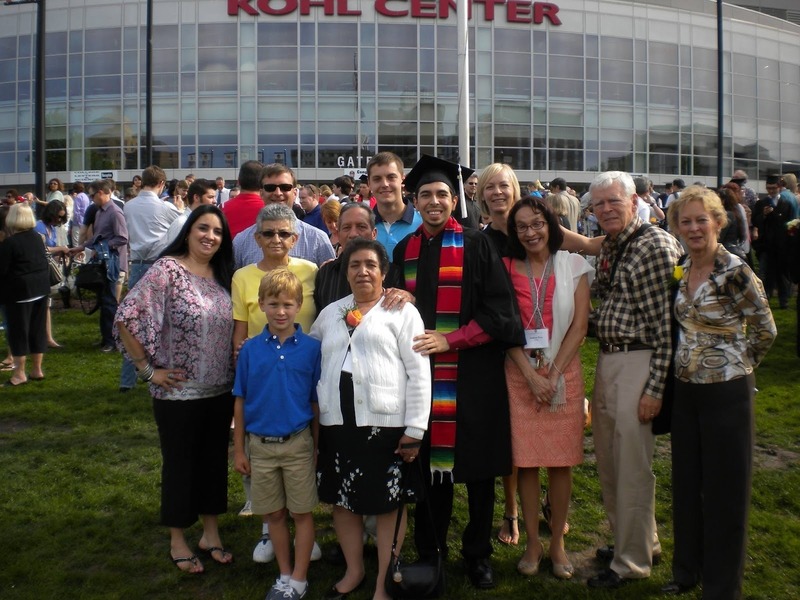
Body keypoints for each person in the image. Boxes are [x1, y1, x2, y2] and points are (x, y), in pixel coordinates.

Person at [393, 155, 525, 590]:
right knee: (431, 471)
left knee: (480, 472)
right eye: (426, 194)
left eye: (442, 194)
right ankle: (431, 551)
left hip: (473, 377)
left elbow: (501, 315)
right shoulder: (403, 251)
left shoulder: (476, 245)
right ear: (414, 200)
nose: (434, 201)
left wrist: (452, 339)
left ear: (455, 200)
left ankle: (478, 553)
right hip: (422, 381)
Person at [661, 187, 776, 598]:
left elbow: (766, 330)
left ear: (718, 222)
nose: (693, 228)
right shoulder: (681, 266)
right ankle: (686, 570)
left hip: (727, 392)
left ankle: (722, 585)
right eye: (685, 221)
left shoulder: (736, 271)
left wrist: (736, 366)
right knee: (687, 484)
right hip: (685, 390)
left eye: (700, 220)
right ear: (676, 226)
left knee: (726, 491)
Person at [114, 205, 236, 574]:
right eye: (203, 228)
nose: (210, 236)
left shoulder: (222, 274)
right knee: (180, 465)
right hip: (177, 394)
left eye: (217, 231)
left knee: (214, 463)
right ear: (188, 230)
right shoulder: (168, 270)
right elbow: (127, 316)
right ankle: (178, 539)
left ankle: (210, 534)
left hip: (220, 392)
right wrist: (147, 370)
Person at [310, 238, 432, 600]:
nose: (362, 271)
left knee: (387, 504)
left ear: (383, 272)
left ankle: (384, 580)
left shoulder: (402, 312)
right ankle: (354, 570)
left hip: (385, 426)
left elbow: (419, 372)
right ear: (344, 272)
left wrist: (414, 429)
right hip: (337, 425)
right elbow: (311, 354)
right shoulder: (330, 312)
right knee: (342, 500)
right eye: (354, 265)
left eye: (370, 265)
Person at [586, 171, 683, 590]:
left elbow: (666, 328)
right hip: (611, 358)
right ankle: (639, 541)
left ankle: (631, 563)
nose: (606, 209)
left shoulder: (654, 246)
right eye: (599, 204)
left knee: (631, 467)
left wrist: (655, 389)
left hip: (640, 362)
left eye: (613, 201)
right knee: (610, 462)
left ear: (634, 202)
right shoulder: (615, 243)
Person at [503, 197, 594, 580]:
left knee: (560, 461)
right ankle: (532, 544)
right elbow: (501, 324)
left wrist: (552, 373)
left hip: (563, 373)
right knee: (525, 460)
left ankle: (556, 541)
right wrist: (530, 374)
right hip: (519, 372)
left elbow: (580, 327)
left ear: (551, 224)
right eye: (522, 226)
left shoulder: (573, 265)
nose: (530, 232)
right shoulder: (505, 268)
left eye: (537, 223)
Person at [233, 268, 321, 600]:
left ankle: (300, 578)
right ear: (261, 305)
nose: (280, 312)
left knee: (301, 512)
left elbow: (315, 403)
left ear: (298, 304)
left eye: (287, 304)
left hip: (298, 443)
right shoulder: (250, 350)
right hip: (260, 446)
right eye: (273, 304)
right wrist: (239, 450)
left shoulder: (312, 349)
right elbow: (240, 401)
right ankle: (284, 574)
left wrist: (316, 447)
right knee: (274, 514)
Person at [475, 162, 523, 545]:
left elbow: (579, 244)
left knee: (543, 429)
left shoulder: (532, 230)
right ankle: (511, 510)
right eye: (490, 187)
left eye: (503, 186)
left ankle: (549, 505)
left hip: (541, 339)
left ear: (515, 189)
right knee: (508, 433)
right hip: (498, 345)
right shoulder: (480, 240)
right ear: (481, 194)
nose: (497, 193)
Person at [120, 166, 178, 391]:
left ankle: (127, 380)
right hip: (159, 266)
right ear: (162, 184)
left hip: (137, 266)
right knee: (164, 324)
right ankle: (160, 373)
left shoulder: (129, 206)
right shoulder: (165, 207)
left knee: (131, 323)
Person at [232, 204, 317, 351]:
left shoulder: (311, 271)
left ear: (294, 239)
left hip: (307, 364)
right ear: (258, 239)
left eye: (284, 234)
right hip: (262, 363)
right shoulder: (241, 278)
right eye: (268, 234)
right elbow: (240, 334)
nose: (276, 240)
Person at [233, 164, 336, 268]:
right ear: (261, 193)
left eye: (285, 187)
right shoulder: (241, 242)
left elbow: (331, 281)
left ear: (295, 193)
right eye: (270, 188)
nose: (278, 193)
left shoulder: (317, 240)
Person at [68, 179, 129, 352]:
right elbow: (98, 236)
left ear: (102, 192)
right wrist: (82, 247)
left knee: (110, 302)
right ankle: (106, 338)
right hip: (103, 262)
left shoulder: (115, 212)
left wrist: (103, 247)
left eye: (92, 194)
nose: (90, 197)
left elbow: (123, 238)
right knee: (104, 301)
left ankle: (113, 341)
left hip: (112, 264)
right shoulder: (100, 211)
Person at [0, 203, 50, 386]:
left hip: (18, 293)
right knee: (37, 330)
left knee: (18, 333)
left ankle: (19, 374)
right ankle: (37, 369)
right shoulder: (37, 237)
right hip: (40, 289)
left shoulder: (10, 243)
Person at [367, 152, 422, 258]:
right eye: (377, 179)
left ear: (402, 179)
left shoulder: (423, 224)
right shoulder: (363, 227)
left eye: (391, 177)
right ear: (369, 183)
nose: (384, 184)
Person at [35, 200, 69, 349]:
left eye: (62, 217)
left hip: (44, 269)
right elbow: (41, 248)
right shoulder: (39, 227)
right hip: (37, 270)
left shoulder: (51, 228)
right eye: (58, 217)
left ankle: (47, 338)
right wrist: (61, 248)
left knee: (45, 304)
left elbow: (51, 250)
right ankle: (43, 338)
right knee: (41, 305)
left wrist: (60, 253)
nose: (59, 220)